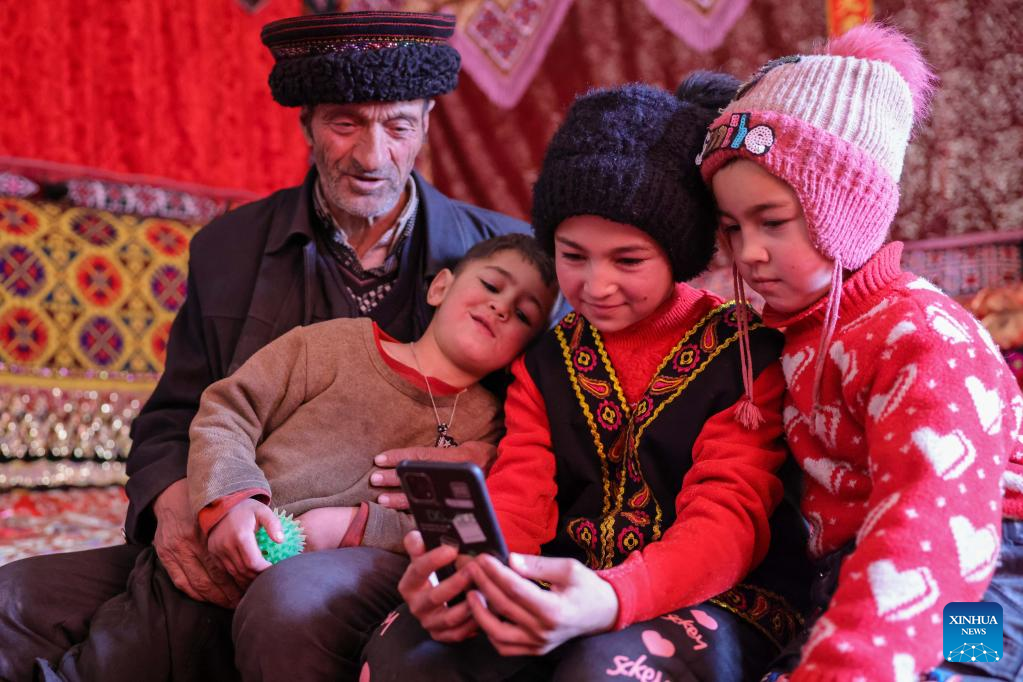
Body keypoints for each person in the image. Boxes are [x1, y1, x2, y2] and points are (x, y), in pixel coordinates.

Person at [0, 11, 542, 682]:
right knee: (13, 602)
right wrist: (184, 506)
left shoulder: (505, 265)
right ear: (306, 124)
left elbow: (558, 438)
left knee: (274, 604)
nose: (372, 157)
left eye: (398, 126)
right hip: (238, 518)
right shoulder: (229, 250)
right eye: (345, 124)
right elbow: (176, 415)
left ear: (428, 123)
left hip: (383, 546)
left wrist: (490, 460)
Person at [362, 72, 813, 681]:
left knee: (604, 671)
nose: (596, 285)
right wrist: (477, 578)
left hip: (717, 595)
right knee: (407, 653)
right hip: (564, 583)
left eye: (628, 260)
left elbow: (728, 519)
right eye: (573, 256)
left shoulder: (743, 356)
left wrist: (611, 598)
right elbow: (520, 495)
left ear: (678, 254)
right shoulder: (545, 362)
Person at [32, 234, 558, 681]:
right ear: (441, 286)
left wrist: (356, 526)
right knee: (112, 652)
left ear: (524, 350)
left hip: (306, 596)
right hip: (213, 553)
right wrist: (230, 501)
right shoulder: (331, 345)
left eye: (522, 314)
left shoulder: (493, 429)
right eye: (492, 286)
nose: (501, 307)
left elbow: (452, 532)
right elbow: (228, 410)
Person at [697, 23, 1023, 681]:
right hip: (852, 565)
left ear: (844, 212)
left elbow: (932, 525)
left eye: (772, 221)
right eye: (731, 227)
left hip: (982, 564)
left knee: (957, 671)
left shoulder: (924, 336)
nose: (747, 253)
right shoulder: (782, 332)